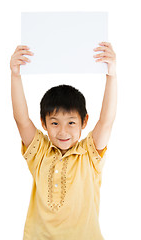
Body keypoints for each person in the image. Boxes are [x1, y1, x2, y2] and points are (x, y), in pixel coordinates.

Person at [10, 42, 117, 240]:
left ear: (84, 121)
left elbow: (107, 121)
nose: (63, 131)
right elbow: (21, 119)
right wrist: (15, 75)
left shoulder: (90, 154)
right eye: (54, 123)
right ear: (43, 123)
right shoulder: (40, 152)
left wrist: (111, 75)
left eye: (71, 122)